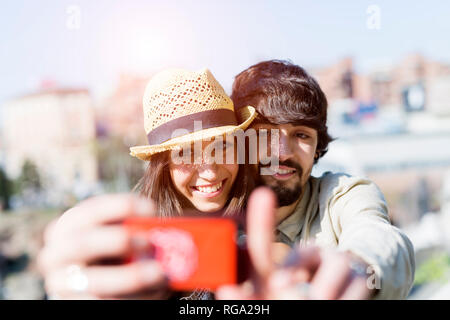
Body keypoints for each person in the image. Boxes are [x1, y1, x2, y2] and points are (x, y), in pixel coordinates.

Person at [37, 68, 259, 300]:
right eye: (187, 153)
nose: (210, 171)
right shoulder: (132, 250)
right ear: (162, 166)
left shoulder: (271, 231)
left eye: (222, 146)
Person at [216, 60, 415, 300]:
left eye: (301, 135)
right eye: (265, 133)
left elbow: (379, 236)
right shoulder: (214, 204)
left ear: (317, 148)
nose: (283, 152)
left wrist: (357, 268)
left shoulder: (342, 195)